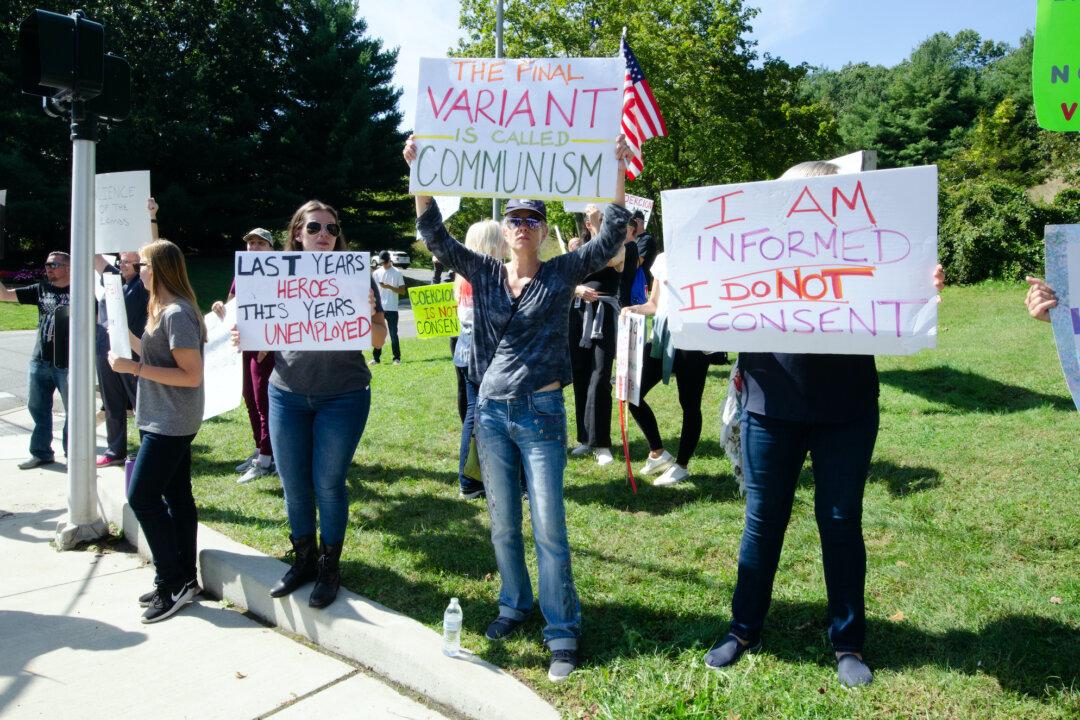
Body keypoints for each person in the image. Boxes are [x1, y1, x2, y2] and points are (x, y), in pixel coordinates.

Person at [703, 160, 946, 688]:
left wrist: (919, 285)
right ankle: (742, 628)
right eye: (799, 203)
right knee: (763, 522)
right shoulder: (754, 253)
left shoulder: (868, 251)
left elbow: (902, 307)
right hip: (770, 404)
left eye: (825, 201)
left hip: (847, 407)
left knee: (840, 523)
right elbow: (711, 303)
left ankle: (848, 641)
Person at [406, 133, 634, 683]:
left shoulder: (558, 274)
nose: (524, 225)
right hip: (489, 413)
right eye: (516, 219)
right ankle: (514, 603)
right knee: (504, 525)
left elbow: (609, 239)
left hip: (541, 414)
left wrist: (618, 173)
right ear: (505, 231)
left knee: (549, 528)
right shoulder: (483, 273)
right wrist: (419, 175)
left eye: (533, 218)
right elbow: (434, 235)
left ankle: (562, 630)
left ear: (540, 229)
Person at [250, 200, 387, 609]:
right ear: (297, 233)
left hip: (342, 395)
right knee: (294, 486)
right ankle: (303, 560)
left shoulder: (355, 275)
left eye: (330, 228)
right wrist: (249, 337)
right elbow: (260, 344)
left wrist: (373, 313)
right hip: (287, 394)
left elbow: (378, 339)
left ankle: (330, 566)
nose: (323, 235)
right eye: (314, 228)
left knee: (328, 484)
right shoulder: (275, 276)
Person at [108, 239, 206, 623]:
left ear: (159, 269)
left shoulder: (177, 314)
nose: (135, 269)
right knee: (178, 499)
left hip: (172, 422)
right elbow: (154, 353)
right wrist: (119, 338)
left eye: (142, 264)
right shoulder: (161, 309)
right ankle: (186, 578)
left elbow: (191, 375)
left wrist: (132, 369)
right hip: (159, 418)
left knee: (142, 498)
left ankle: (172, 580)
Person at [622, 249, 710, 486]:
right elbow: (653, 303)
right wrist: (633, 309)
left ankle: (681, 465)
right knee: (632, 393)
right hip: (661, 337)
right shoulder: (662, 258)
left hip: (693, 339)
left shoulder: (705, 256)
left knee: (690, 404)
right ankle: (658, 452)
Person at [211, 228, 278, 484]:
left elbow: (284, 309)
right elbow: (231, 306)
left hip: (267, 346)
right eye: (251, 243)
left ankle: (267, 459)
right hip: (245, 344)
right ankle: (261, 449)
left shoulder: (277, 271)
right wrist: (220, 307)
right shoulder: (243, 272)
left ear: (271, 248)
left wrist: (268, 343)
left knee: (264, 401)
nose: (254, 248)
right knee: (250, 398)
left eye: (261, 243)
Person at [93, 198, 155, 467]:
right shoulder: (113, 278)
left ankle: (147, 448)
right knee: (111, 402)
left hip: (132, 351)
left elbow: (156, 254)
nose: (124, 265)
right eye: (121, 261)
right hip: (106, 350)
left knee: (139, 401)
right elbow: (94, 257)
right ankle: (115, 450)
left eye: (130, 261)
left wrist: (152, 217)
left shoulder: (143, 286)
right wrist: (93, 218)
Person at [567, 206, 629, 466]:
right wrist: (577, 288)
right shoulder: (579, 248)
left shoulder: (619, 247)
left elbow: (602, 260)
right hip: (579, 314)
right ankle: (585, 438)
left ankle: (601, 442)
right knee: (580, 375)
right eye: (596, 219)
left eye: (603, 219)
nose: (600, 222)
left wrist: (594, 223)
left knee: (600, 376)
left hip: (604, 315)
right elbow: (566, 277)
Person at [0, 251, 71, 469]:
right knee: (38, 408)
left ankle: (75, 453)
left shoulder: (82, 290)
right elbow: (5, 295)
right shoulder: (41, 289)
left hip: (69, 364)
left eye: (54, 264)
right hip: (40, 360)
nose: (48, 268)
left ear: (68, 267)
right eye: (47, 264)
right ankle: (41, 453)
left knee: (75, 411)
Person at [451, 220, 506, 499]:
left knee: (475, 414)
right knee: (476, 416)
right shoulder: (485, 276)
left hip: (466, 352)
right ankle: (470, 480)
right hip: (480, 354)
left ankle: (472, 479)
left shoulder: (466, 276)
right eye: (502, 237)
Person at [371, 250, 405, 365]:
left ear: (389, 260)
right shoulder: (376, 273)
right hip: (379, 308)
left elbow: (402, 291)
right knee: (378, 334)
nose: (383, 265)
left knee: (393, 334)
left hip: (392, 308)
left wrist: (389, 286)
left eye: (385, 262)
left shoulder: (397, 273)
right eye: (382, 263)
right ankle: (376, 358)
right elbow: (372, 290)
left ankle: (397, 358)